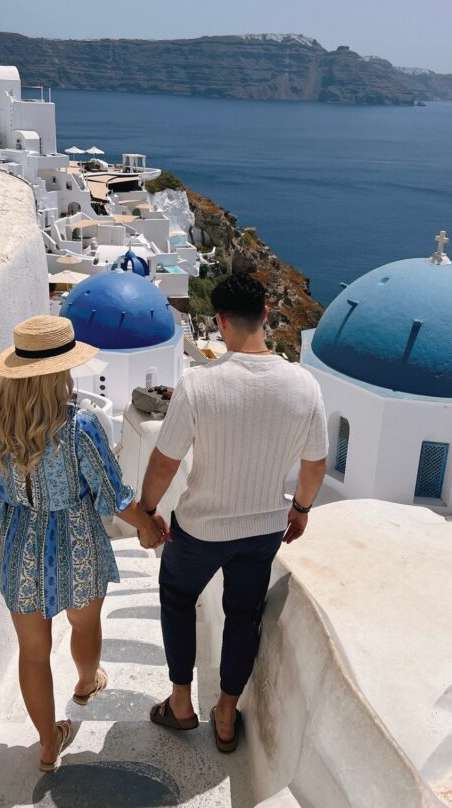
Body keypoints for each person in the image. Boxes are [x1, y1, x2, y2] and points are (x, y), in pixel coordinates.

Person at [0, 315, 167, 772]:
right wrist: (147, 527)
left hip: (18, 543)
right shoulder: (80, 427)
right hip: (78, 540)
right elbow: (112, 495)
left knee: (33, 652)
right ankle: (84, 682)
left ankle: (46, 743)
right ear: (60, 372)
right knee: (84, 623)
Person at [140, 273, 328, 752]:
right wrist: (301, 510)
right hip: (265, 527)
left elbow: (165, 461)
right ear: (266, 313)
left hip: (200, 528)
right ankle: (226, 714)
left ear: (220, 322)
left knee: (178, 599)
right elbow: (315, 463)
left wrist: (145, 510)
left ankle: (181, 705)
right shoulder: (305, 386)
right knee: (243, 617)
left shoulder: (200, 385)